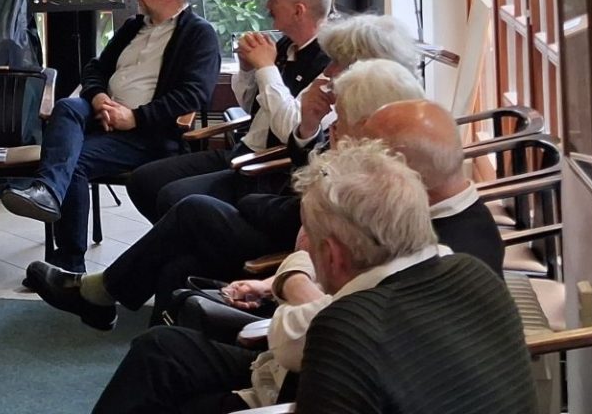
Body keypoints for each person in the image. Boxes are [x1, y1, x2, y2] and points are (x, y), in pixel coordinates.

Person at [90, 139, 534, 414]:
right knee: (163, 349)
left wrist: (294, 271)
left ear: (332, 254)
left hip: (280, 392)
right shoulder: (469, 271)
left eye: (308, 242)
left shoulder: (350, 326)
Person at [27, 53, 425, 330]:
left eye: (344, 115)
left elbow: (300, 210)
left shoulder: (374, 168)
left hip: (290, 239)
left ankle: (100, 294)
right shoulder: (347, 140)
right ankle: (147, 332)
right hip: (278, 213)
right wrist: (308, 127)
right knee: (178, 263)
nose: (334, 122)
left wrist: (250, 202)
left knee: (195, 208)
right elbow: (301, 174)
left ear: (372, 119)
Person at [183, 100, 505, 405]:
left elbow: (312, 326)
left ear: (399, 173)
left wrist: (293, 275)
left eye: (365, 152)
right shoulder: (460, 261)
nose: (343, 145)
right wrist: (281, 280)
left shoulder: (446, 252)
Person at [0, 0, 222, 271]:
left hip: (147, 134)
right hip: (101, 114)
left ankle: (69, 262)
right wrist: (99, 97)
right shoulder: (134, 26)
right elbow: (95, 68)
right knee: (67, 106)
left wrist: (135, 118)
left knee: (74, 162)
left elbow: (193, 94)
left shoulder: (198, 34)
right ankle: (47, 191)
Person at [125, 0, 332, 221]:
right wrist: (248, 69)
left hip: (266, 169)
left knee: (172, 195)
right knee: (142, 181)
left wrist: (266, 68)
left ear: (298, 11)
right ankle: (191, 238)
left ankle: (199, 237)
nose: (267, 5)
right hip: (242, 150)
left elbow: (292, 131)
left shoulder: (328, 64)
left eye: (275, 0)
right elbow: (249, 106)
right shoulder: (286, 45)